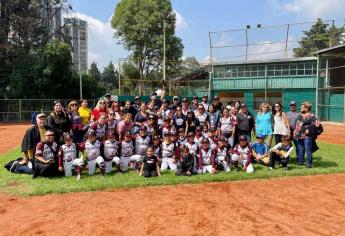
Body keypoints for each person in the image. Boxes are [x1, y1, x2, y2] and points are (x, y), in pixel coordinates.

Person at [294, 102, 321, 168]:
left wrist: (310, 129)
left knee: (307, 149)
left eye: (303, 107)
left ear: (307, 108)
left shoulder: (311, 116)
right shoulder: (300, 116)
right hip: (299, 135)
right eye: (301, 107)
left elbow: (318, 125)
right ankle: (301, 161)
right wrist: (295, 133)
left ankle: (309, 163)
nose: (301, 108)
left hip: (307, 136)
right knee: (300, 149)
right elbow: (297, 125)